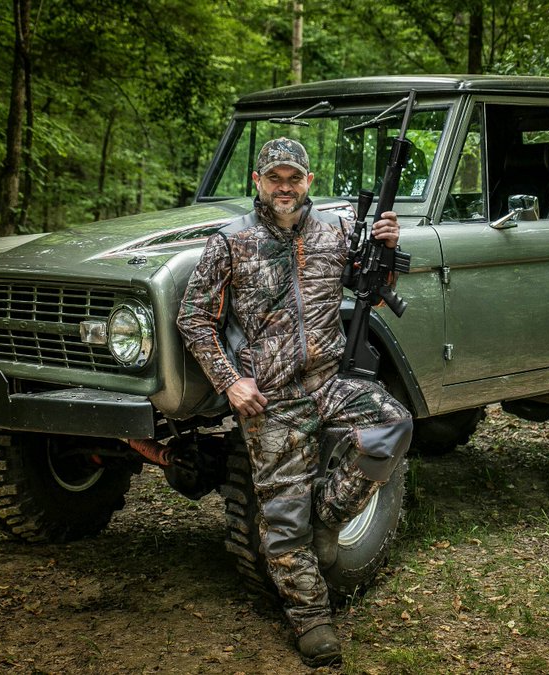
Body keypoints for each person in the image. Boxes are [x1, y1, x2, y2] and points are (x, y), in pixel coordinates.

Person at [177, 137, 413, 667]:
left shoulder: (333, 234)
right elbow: (193, 318)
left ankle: (327, 514)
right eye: (274, 178)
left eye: (294, 178)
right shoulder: (230, 243)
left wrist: (388, 249)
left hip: (327, 382)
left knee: (393, 424)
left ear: (308, 182)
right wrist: (230, 382)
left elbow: (372, 289)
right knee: (282, 522)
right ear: (258, 182)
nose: (285, 188)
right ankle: (311, 619)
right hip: (271, 400)